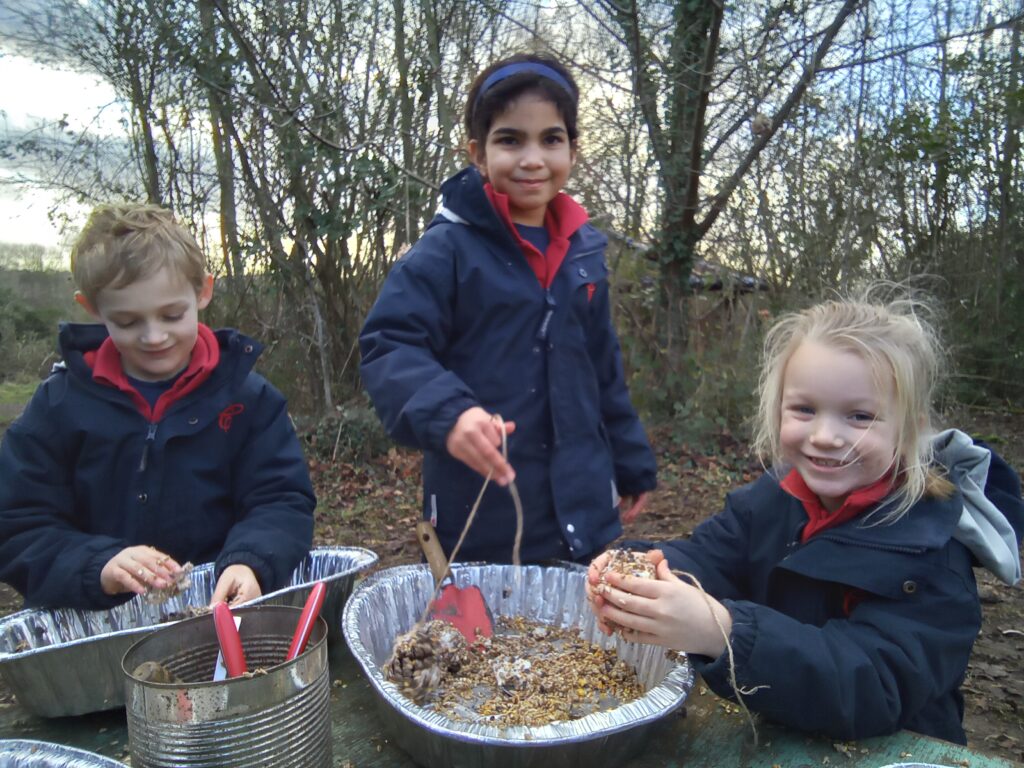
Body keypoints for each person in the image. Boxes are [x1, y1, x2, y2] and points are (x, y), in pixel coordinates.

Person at [587, 291, 1023, 744]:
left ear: (908, 428)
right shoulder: (775, 497)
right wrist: (636, 571)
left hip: (892, 748)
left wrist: (723, 633)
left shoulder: (931, 550)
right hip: (776, 730)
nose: (825, 436)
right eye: (804, 409)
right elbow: (709, 556)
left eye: (859, 416)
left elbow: (872, 686)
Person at [359, 53, 657, 564]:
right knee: (488, 638)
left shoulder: (584, 251)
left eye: (551, 139)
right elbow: (389, 345)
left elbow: (604, 369)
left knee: (580, 639)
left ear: (573, 150)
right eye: (510, 139)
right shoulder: (446, 250)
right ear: (478, 153)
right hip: (483, 513)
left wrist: (630, 461)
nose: (532, 158)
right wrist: (450, 414)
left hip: (584, 510)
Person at [0, 203, 315, 610]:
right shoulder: (59, 405)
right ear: (92, 309)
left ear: (203, 291)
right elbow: (17, 525)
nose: (153, 336)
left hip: (218, 617)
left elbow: (280, 500)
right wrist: (97, 565)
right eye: (128, 322)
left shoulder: (249, 401)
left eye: (171, 315)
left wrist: (251, 562)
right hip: (97, 631)